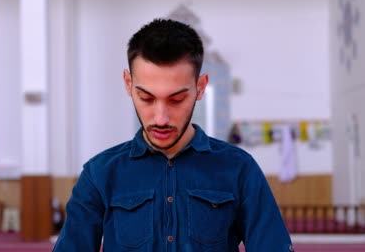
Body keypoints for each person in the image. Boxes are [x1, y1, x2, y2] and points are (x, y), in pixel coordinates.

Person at [53, 18, 294, 251]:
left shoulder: (239, 169)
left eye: (176, 99)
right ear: (128, 84)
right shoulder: (100, 174)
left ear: (200, 88)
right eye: (146, 98)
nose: (161, 118)